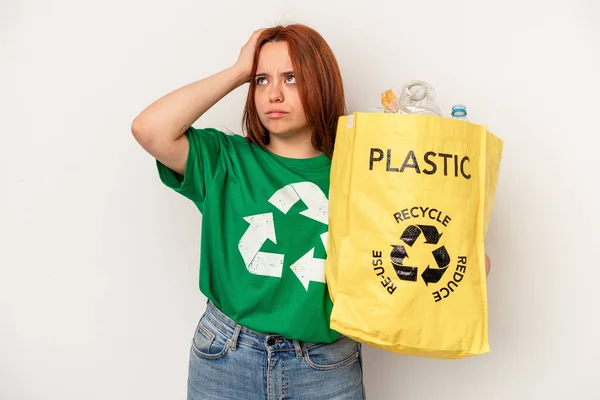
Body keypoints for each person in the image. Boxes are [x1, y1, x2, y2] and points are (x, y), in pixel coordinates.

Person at [131, 24, 366, 400]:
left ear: (320, 82)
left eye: (291, 78)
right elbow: (149, 129)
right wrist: (238, 70)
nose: (273, 93)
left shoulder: (362, 174)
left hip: (325, 365)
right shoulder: (224, 160)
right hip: (225, 356)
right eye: (261, 80)